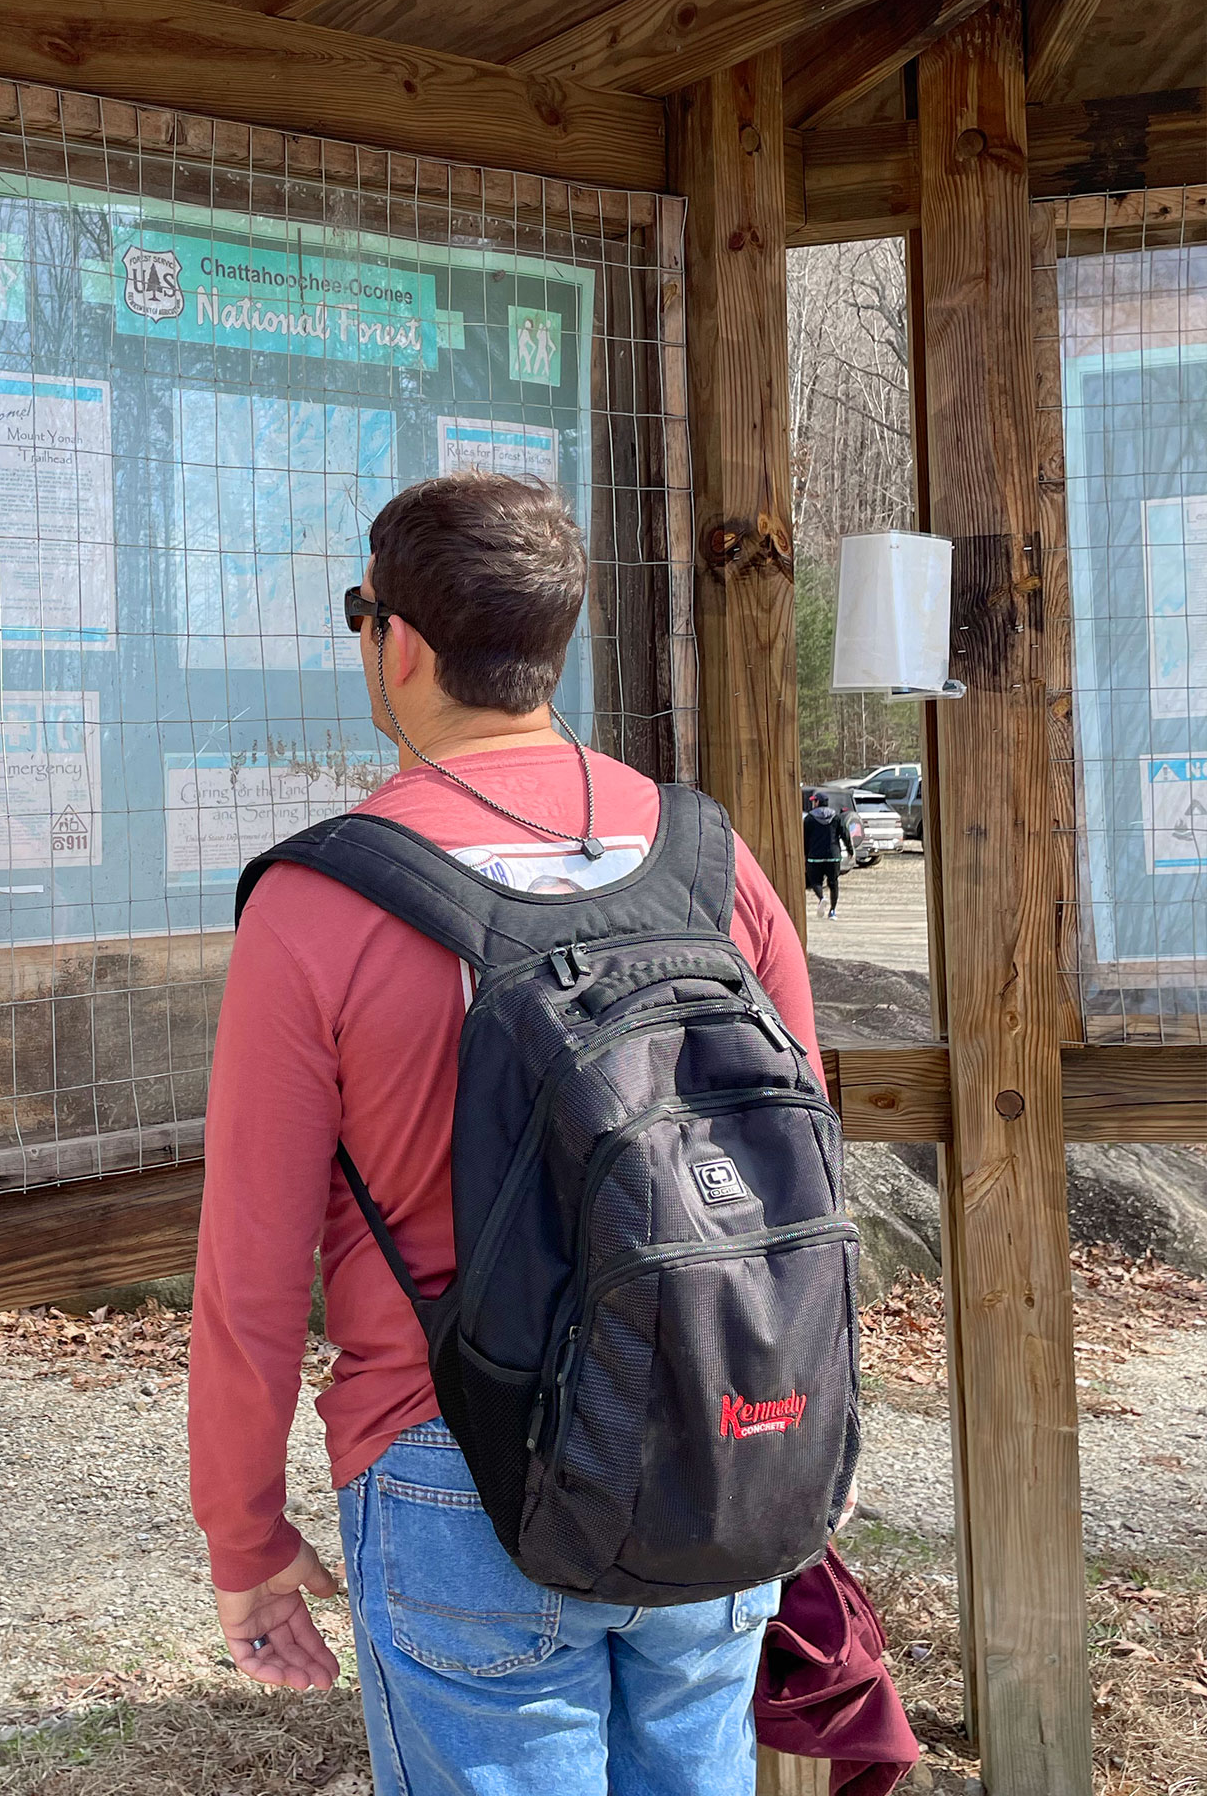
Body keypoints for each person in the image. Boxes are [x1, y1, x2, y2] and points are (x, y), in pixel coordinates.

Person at [188, 473, 829, 1796]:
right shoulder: (715, 861)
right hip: (715, 1438)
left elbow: (250, 1276)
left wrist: (245, 1536)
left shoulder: (319, 905)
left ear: (401, 645)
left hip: (450, 1470)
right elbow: (795, 1171)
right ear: (553, 644)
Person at [803, 790, 854, 920]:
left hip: (815, 856)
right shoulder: (836, 817)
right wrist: (850, 850)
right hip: (833, 855)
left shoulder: (809, 819)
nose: (813, 803)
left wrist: (805, 855)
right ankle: (832, 911)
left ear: (818, 802)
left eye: (814, 801)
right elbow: (844, 834)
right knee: (833, 883)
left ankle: (821, 898)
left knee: (815, 881)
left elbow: (805, 839)